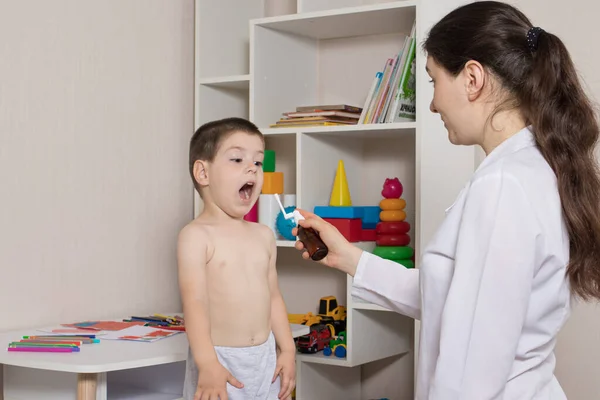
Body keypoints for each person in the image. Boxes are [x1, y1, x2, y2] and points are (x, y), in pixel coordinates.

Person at [293, 1, 600, 399]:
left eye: (434, 81)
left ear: (472, 78)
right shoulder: (533, 170)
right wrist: (348, 257)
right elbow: (454, 300)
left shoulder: (503, 185)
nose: (434, 103)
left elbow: (471, 367)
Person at [178, 117, 296, 400]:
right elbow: (195, 304)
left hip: (266, 358)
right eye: (237, 159)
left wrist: (288, 349)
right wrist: (207, 364)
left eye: (258, 162)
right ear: (203, 173)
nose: (251, 169)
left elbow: (274, 298)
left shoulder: (264, 235)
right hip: (220, 361)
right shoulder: (196, 236)